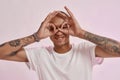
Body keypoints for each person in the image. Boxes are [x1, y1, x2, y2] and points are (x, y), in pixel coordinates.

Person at [0, 6, 120, 80]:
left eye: (64, 27)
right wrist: (36, 36)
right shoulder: (40, 55)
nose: (59, 32)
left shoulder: (85, 50)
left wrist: (81, 33)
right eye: (53, 28)